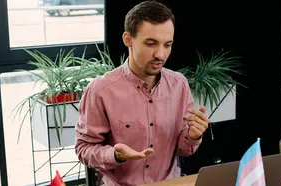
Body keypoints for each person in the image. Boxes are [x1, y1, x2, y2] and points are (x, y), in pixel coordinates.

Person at [74, 1, 209, 185]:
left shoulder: (179, 85)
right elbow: (83, 149)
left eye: (167, 45)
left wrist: (193, 136)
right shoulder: (100, 91)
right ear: (128, 39)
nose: (160, 55)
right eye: (151, 43)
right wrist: (115, 155)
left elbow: (183, 150)